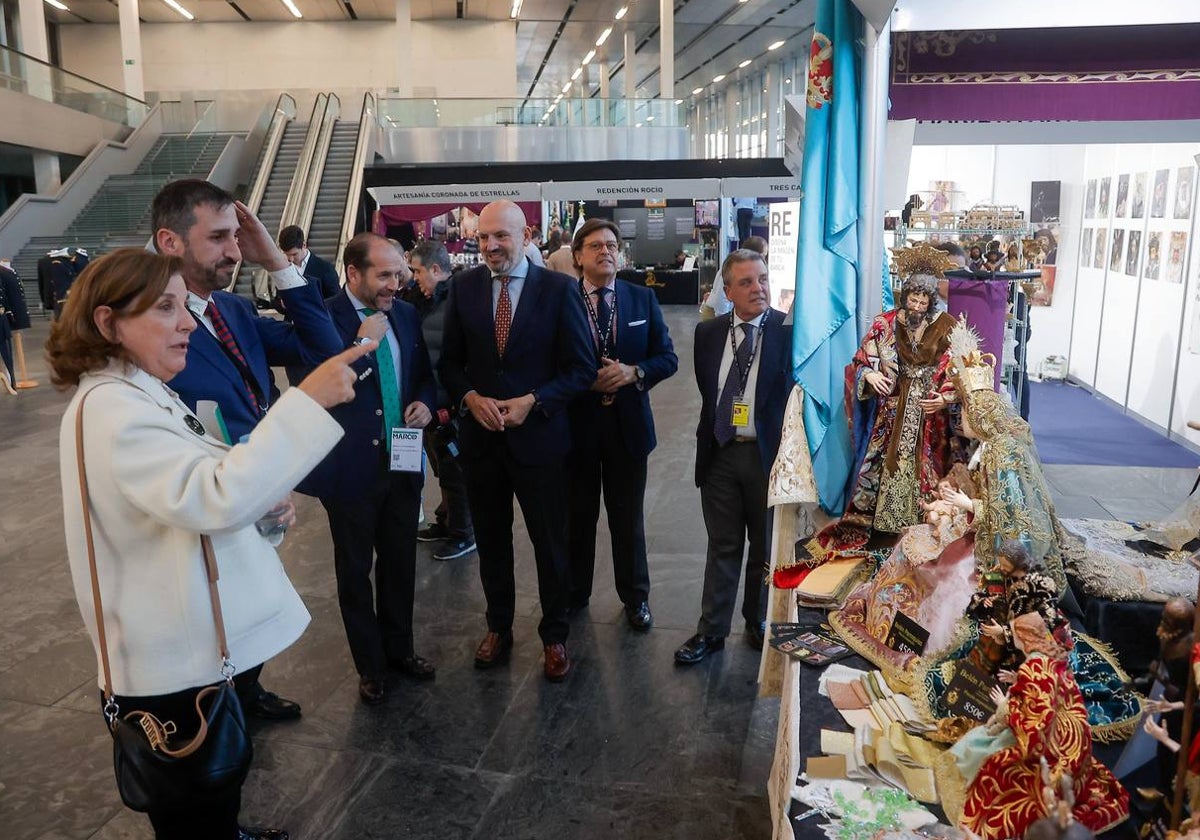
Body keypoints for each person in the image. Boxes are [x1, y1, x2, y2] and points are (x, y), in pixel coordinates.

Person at [47, 247, 372, 840]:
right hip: (166, 661)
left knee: (208, 800)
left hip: (178, 640)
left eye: (184, 306)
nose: (186, 323)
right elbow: (214, 496)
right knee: (194, 808)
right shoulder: (116, 410)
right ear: (107, 322)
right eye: (165, 308)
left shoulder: (136, 391)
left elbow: (191, 477)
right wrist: (307, 401)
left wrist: (257, 489)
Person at [152, 178, 344, 720]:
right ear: (170, 242)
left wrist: (277, 265)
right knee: (214, 606)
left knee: (253, 596)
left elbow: (324, 350)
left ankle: (247, 688)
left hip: (258, 484)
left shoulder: (232, 310)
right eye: (218, 238)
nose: (235, 251)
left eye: (237, 238)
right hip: (203, 498)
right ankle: (212, 706)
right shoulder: (149, 323)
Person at [438, 200, 594, 682]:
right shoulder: (462, 288)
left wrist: (534, 400)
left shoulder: (559, 289)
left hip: (540, 443)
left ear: (524, 235)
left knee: (550, 543)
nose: (489, 247)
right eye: (483, 238)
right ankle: (498, 628)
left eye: (499, 237)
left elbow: (581, 368)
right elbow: (448, 362)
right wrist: (468, 396)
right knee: (491, 541)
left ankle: (555, 636)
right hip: (482, 443)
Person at [296, 233, 437, 705]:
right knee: (356, 571)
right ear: (353, 273)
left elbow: (424, 378)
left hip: (403, 460)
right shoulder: (324, 320)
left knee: (401, 563)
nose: (395, 284)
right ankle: (370, 666)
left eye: (399, 274)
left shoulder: (408, 316)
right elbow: (315, 385)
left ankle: (401, 651)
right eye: (384, 275)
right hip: (351, 469)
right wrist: (360, 343)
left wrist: (424, 404)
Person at [675, 249, 793, 664]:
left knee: (763, 547)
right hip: (721, 455)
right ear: (727, 290)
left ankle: (757, 620)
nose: (758, 288)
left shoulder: (787, 331)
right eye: (746, 282)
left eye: (762, 279)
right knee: (722, 545)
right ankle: (711, 632)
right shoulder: (708, 334)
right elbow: (710, 393)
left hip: (766, 457)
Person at [564, 219, 678, 631]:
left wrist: (634, 372)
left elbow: (667, 357)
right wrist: (581, 379)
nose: (605, 252)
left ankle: (636, 598)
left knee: (627, 519)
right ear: (578, 256)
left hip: (627, 428)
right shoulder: (563, 301)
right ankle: (575, 595)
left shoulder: (640, 299)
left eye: (612, 245)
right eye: (595, 246)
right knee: (577, 518)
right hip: (576, 428)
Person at [823, 244, 958, 551]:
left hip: (928, 414)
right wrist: (869, 374)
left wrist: (946, 397)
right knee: (882, 466)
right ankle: (879, 531)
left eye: (924, 300)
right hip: (892, 412)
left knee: (929, 468)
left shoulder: (947, 326)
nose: (918, 306)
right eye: (913, 298)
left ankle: (923, 531)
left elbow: (957, 366)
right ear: (905, 295)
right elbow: (861, 359)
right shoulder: (885, 323)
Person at [960, 614, 1129, 839]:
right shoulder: (1051, 661)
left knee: (992, 765)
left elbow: (1036, 726)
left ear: (1023, 637)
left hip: (1049, 749)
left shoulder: (1035, 667)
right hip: (1073, 745)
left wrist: (1004, 708)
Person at [409, 239, 476, 561]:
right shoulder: (427, 300)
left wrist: (455, 403)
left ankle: (464, 533)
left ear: (436, 269)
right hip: (431, 404)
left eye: (417, 271)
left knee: (454, 472)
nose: (413, 278)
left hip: (450, 405)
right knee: (442, 469)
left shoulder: (460, 301)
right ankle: (447, 520)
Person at [274, 225, 341, 385]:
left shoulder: (324, 269)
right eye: (286, 255)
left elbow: (335, 299)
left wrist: (306, 304)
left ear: (304, 245)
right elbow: (276, 299)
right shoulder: (284, 269)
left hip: (317, 335)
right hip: (293, 336)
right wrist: (281, 303)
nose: (290, 259)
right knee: (296, 385)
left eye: (294, 254)